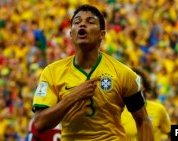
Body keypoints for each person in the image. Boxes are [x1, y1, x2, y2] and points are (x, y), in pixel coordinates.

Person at [32, 4, 154, 141]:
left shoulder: (123, 73)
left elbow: (143, 122)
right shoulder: (52, 72)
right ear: (71, 33)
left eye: (90, 22)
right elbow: (40, 124)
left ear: (102, 34)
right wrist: (73, 96)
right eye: (77, 22)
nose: (82, 25)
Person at [121, 67, 171, 141]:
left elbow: (169, 132)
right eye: (130, 83)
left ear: (144, 86)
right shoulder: (118, 111)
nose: (134, 86)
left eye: (137, 83)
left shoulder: (159, 109)